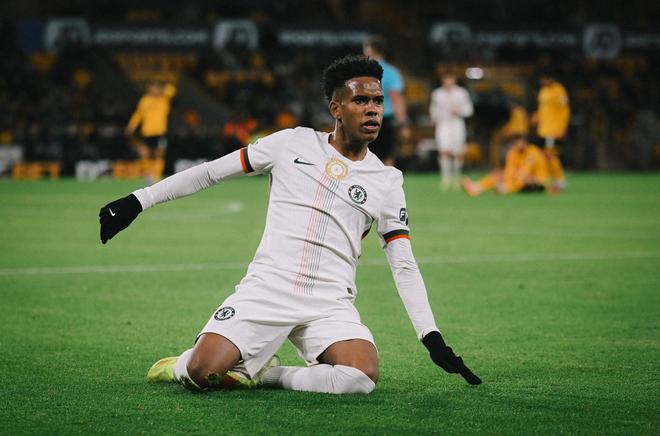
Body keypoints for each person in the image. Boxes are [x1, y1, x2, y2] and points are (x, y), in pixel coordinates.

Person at [99, 55, 481, 395]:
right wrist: (139, 200)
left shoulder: (387, 180)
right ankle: (179, 365)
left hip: (329, 301)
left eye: (378, 101)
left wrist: (430, 336)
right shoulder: (291, 144)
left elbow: (404, 263)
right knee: (202, 372)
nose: (372, 110)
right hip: (269, 287)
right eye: (360, 101)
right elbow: (212, 172)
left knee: (360, 378)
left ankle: (266, 375)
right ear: (336, 108)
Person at [363, 37, 410, 166]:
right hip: (385, 118)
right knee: (387, 157)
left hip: (365, 117)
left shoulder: (361, 72)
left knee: (365, 155)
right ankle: (387, 180)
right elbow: (396, 97)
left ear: (370, 51)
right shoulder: (391, 72)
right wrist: (403, 123)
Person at [462, 134, 556, 196]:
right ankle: (477, 188)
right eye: (516, 143)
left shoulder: (533, 152)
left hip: (538, 181)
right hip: (521, 177)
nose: (519, 145)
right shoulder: (513, 152)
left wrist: (507, 186)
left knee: (524, 178)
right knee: (499, 174)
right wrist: (504, 181)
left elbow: (524, 173)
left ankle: (506, 189)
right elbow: (509, 170)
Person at [125, 80, 177, 184]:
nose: (154, 90)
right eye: (152, 88)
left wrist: (162, 89)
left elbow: (172, 90)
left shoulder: (164, 98)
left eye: (156, 88)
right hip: (147, 131)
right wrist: (131, 126)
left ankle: (156, 176)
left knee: (159, 154)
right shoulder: (145, 100)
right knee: (146, 154)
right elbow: (138, 114)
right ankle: (149, 174)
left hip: (160, 131)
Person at [429, 71, 473, 191]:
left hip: (457, 124)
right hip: (443, 124)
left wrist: (459, 111)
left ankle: (456, 176)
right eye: (446, 79)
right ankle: (446, 178)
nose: (448, 82)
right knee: (444, 150)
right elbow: (433, 109)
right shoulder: (437, 94)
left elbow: (469, 109)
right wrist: (435, 118)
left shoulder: (461, 93)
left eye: (450, 79)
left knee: (458, 152)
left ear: (454, 80)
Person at [530, 72, 568, 191]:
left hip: (553, 129)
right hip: (542, 130)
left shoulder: (559, 90)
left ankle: (560, 180)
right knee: (542, 155)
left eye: (545, 79)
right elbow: (542, 108)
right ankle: (545, 179)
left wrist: (562, 127)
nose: (543, 81)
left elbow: (565, 110)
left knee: (551, 156)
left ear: (551, 78)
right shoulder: (543, 91)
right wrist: (536, 116)